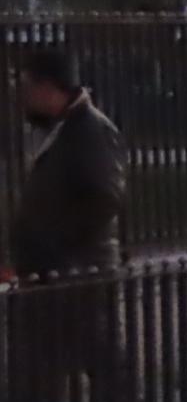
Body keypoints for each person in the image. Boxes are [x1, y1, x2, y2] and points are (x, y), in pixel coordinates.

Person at [8, 47, 127, 279]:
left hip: (78, 272)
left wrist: (55, 241)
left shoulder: (92, 130)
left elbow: (105, 196)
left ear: (48, 88)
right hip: (57, 269)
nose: (22, 96)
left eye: (26, 87)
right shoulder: (59, 128)